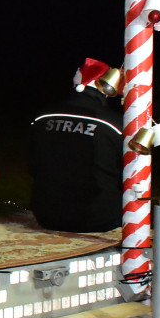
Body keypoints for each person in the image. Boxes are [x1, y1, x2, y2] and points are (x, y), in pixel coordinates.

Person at [28, 57, 123, 233]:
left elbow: (33, 165)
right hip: (101, 219)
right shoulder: (116, 124)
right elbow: (127, 176)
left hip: (46, 215)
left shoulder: (42, 117)